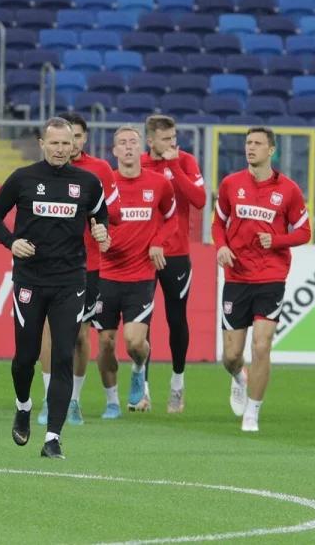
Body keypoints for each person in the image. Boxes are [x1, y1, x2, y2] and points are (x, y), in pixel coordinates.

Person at [0, 117, 109, 459]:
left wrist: (102, 231)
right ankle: (23, 406)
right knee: (25, 357)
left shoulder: (87, 182)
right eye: (53, 143)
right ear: (42, 143)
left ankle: (53, 437)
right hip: (30, 280)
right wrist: (11, 242)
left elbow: (102, 216)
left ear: (75, 145)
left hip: (70, 280)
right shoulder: (24, 178)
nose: (59, 149)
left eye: (65, 143)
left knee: (63, 356)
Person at [213, 127, 311, 433]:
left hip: (270, 277)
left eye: (257, 144)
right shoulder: (231, 184)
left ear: (271, 150)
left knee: (262, 346)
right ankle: (238, 377)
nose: (250, 148)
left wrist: (278, 240)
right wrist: (222, 247)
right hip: (237, 276)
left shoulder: (289, 190)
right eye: (247, 143)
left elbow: (304, 232)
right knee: (231, 355)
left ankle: (252, 413)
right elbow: (218, 224)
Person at [33, 112, 114, 426]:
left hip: (87, 265)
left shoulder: (99, 172)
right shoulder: (43, 173)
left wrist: (103, 231)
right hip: (49, 265)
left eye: (76, 138)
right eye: (64, 139)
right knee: (49, 332)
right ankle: (48, 397)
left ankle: (74, 401)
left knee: (80, 335)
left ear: (83, 139)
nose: (70, 144)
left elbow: (108, 213)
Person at [96, 126, 176, 417]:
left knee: (133, 342)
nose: (128, 147)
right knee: (105, 343)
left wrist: (158, 242)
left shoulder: (158, 184)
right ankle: (112, 401)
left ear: (140, 148)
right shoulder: (104, 186)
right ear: (114, 151)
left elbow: (171, 218)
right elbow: (88, 221)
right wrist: (98, 235)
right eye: (122, 143)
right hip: (105, 275)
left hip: (140, 276)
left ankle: (139, 368)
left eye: (133, 142)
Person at [140, 115, 206, 413]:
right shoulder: (138, 164)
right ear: (150, 140)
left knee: (176, 319)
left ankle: (177, 385)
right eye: (165, 139)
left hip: (176, 253)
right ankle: (143, 389)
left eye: (174, 137)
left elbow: (200, 199)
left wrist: (175, 165)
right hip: (142, 255)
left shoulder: (186, 162)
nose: (172, 144)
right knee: (141, 324)